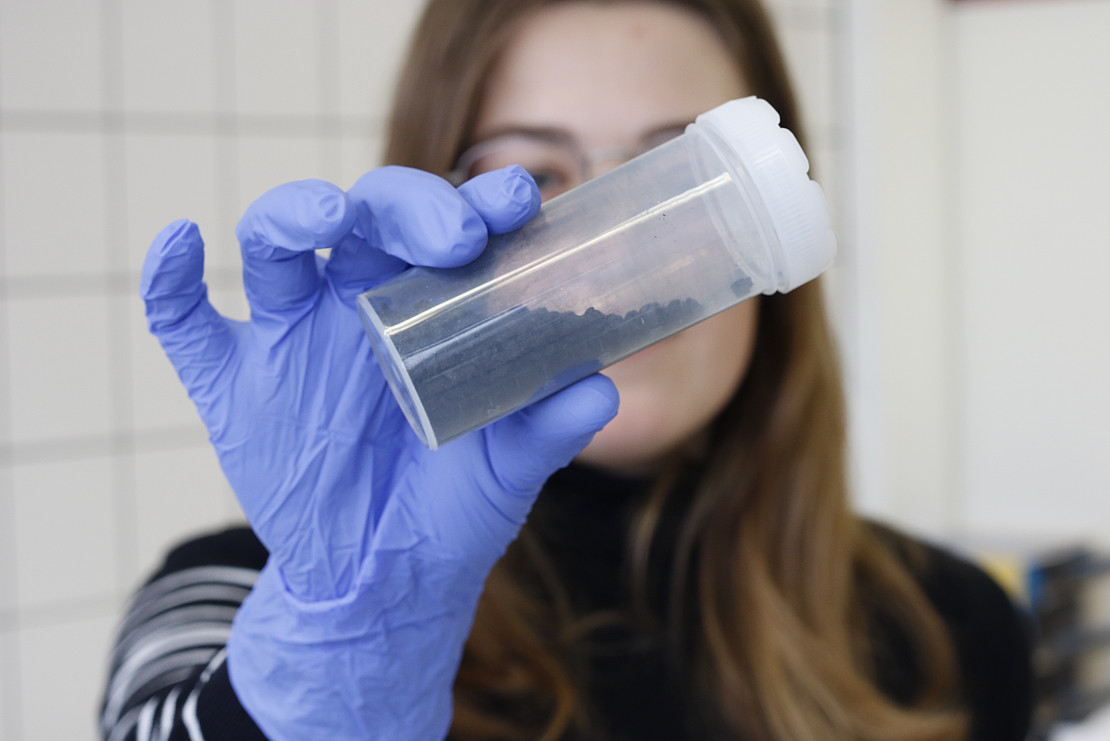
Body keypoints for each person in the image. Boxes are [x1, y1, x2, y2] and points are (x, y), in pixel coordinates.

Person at [100, 1, 1034, 740]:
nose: (609, 254)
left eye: (670, 177)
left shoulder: (946, 625)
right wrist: (336, 663)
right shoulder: (234, 596)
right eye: (535, 177)